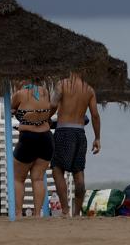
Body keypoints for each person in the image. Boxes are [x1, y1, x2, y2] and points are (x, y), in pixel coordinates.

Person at [50, 71, 101, 217]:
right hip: (80, 133)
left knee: (57, 169)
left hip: (63, 131)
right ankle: (77, 213)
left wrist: (46, 118)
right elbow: (95, 115)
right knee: (78, 173)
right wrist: (97, 138)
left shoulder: (63, 85)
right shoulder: (89, 89)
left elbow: (53, 104)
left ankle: (65, 210)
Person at [11, 78, 56, 218]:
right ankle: (37, 214)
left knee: (18, 178)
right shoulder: (45, 92)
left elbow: (12, 109)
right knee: (37, 178)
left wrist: (15, 90)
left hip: (28, 138)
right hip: (46, 138)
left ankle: (18, 213)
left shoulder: (20, 94)